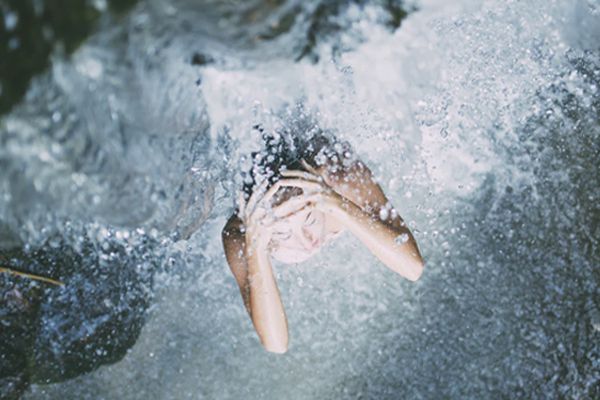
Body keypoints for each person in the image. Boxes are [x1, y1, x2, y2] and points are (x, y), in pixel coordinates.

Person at [222, 124, 424, 353]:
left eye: (309, 219)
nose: (307, 242)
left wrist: (338, 204)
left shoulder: (340, 177)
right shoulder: (242, 235)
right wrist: (256, 248)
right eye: (282, 233)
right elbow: (276, 344)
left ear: (320, 195)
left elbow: (413, 268)